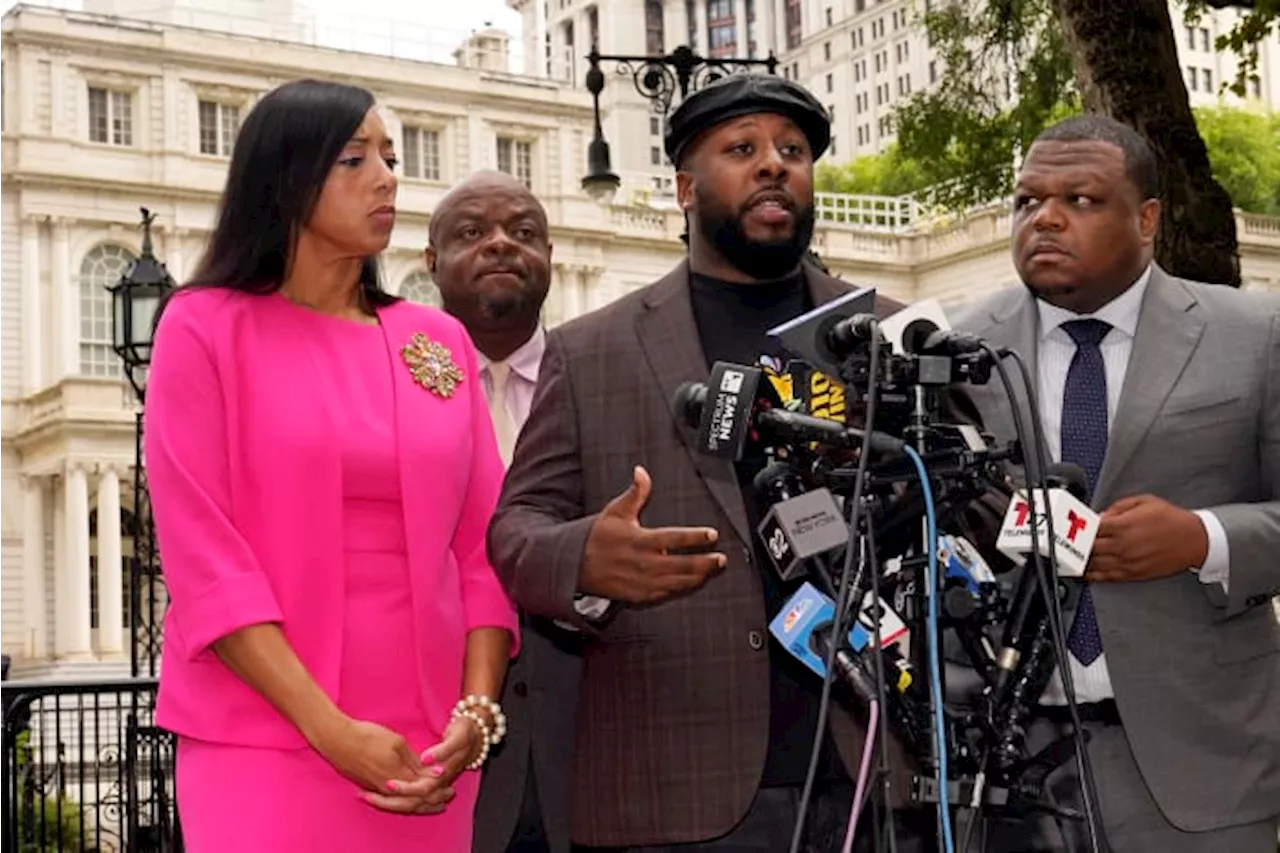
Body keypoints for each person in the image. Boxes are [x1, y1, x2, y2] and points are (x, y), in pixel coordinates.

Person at [488, 74, 946, 852]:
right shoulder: (591, 350)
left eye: (793, 151)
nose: (775, 165)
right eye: (742, 149)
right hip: (673, 786)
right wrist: (588, 562)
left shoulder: (888, 337)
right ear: (684, 190)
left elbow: (965, 507)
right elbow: (516, 532)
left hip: (871, 772)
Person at [144, 79, 519, 852]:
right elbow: (205, 563)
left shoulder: (437, 340)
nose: (388, 175)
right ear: (285, 178)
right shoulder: (202, 327)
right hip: (261, 738)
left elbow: (483, 549)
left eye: (389, 155)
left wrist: (476, 716)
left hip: (431, 755)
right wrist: (329, 727)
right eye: (355, 158)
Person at [954, 114, 1280, 852]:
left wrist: (1204, 537)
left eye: (1081, 199)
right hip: (1007, 766)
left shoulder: (1256, 334)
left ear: (1148, 218)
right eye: (1027, 201)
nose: (1045, 219)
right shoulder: (957, 350)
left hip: (1205, 763)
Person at [426, 170, 582, 853]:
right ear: (430, 262)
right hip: (430, 743)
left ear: (551, 254)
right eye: (471, 232)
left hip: (585, 750)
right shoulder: (380, 389)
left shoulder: (600, 376)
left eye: (523, 233)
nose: (499, 245)